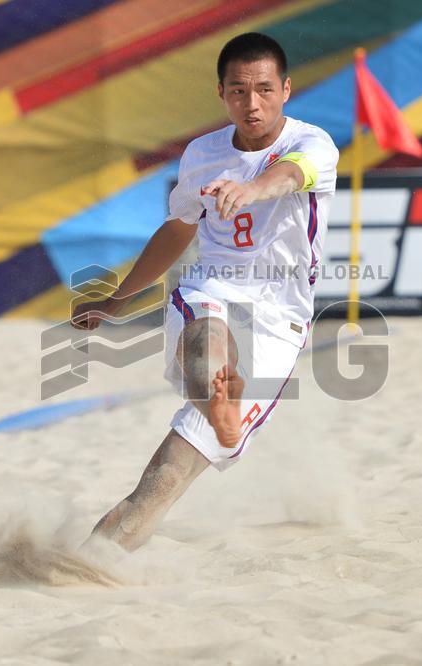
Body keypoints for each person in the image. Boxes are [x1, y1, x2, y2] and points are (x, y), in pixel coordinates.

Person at [71, 32, 339, 552]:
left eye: (263, 89)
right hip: (213, 285)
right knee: (206, 332)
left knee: (166, 477)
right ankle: (217, 388)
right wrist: (118, 299)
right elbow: (178, 228)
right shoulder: (203, 153)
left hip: (281, 312)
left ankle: (93, 559)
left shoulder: (313, 145)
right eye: (239, 90)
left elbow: (287, 177)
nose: (252, 103)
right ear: (221, 93)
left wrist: (251, 188)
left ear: (286, 89)